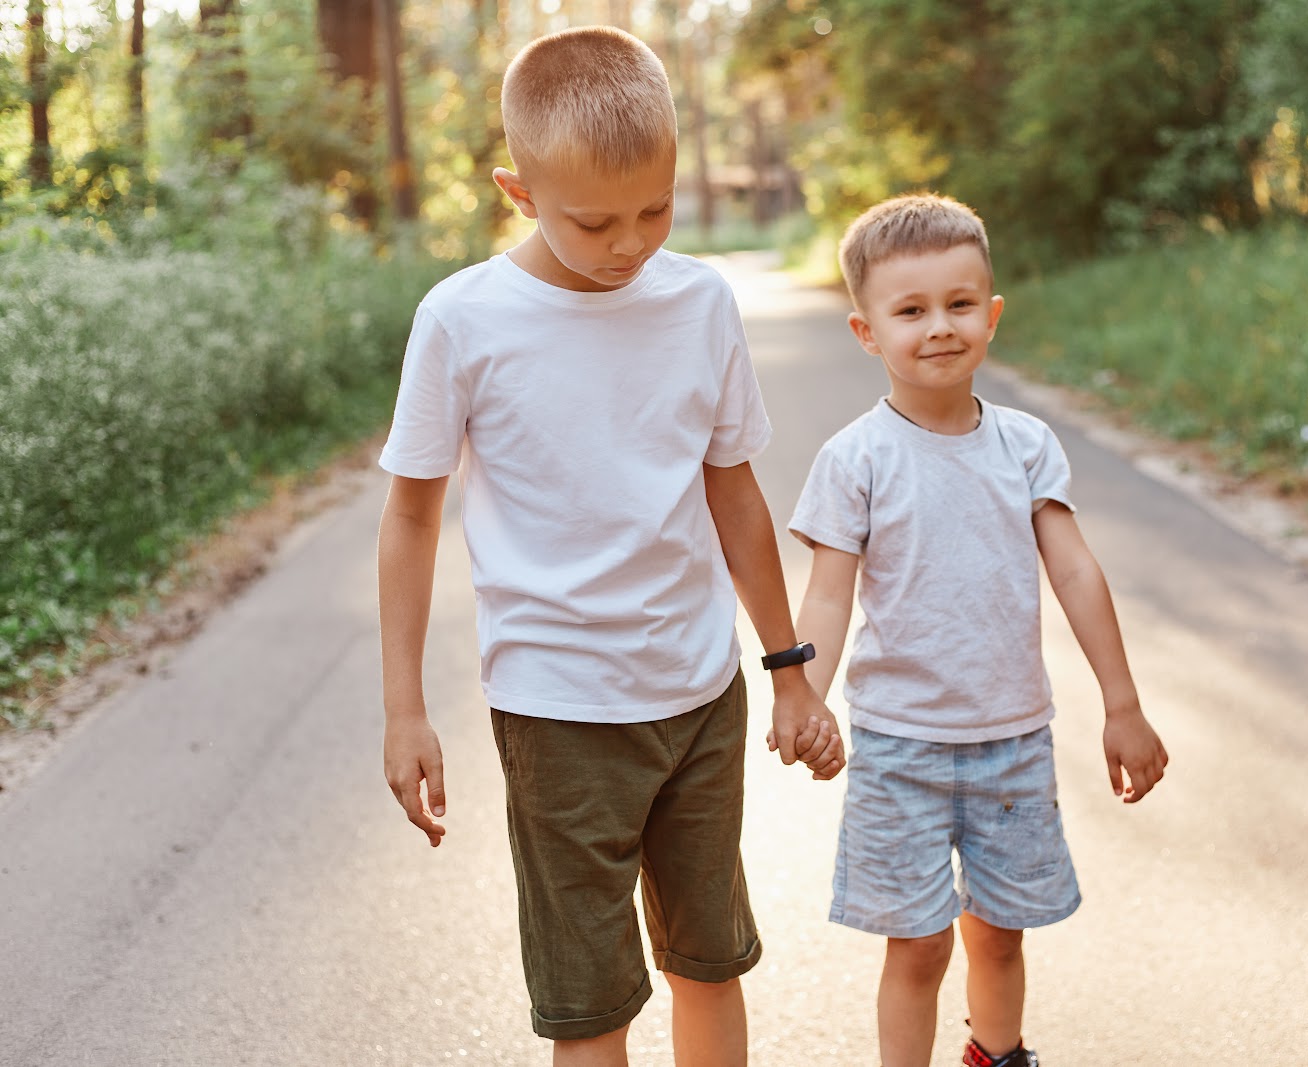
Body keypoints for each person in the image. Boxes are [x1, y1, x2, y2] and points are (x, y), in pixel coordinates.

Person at [375, 26, 843, 1067]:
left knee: (711, 963)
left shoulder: (700, 302)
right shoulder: (463, 321)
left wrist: (788, 668)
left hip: (700, 694)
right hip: (558, 712)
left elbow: (734, 492)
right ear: (520, 192)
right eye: (594, 221)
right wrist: (405, 709)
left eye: (655, 210)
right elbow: (408, 517)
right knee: (589, 1008)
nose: (630, 243)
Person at [787, 193, 1169, 1067]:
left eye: (959, 304)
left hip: (1012, 742)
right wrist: (804, 695)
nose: (939, 327)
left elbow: (1075, 572)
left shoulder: (1025, 445)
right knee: (919, 943)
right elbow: (829, 598)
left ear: (991, 315)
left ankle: (996, 1054)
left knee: (999, 931)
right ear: (866, 332)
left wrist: (1123, 704)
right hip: (900, 746)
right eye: (910, 311)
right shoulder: (856, 458)